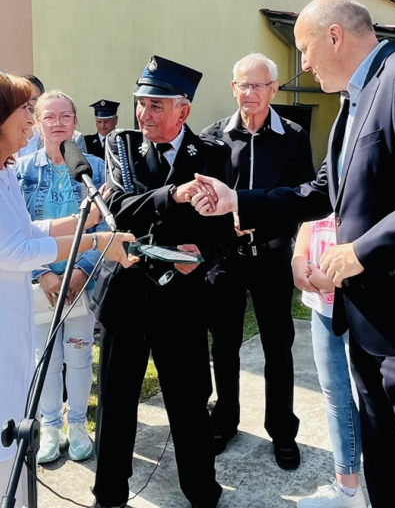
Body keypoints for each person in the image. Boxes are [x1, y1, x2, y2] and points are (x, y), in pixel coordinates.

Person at [188, 0, 395, 508]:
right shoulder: (352, 101)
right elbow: (322, 191)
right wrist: (236, 199)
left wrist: (361, 252)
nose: (302, 65)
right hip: (372, 324)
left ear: (335, 36)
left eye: (305, 49)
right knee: (387, 471)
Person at [0, 67, 135, 508]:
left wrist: (83, 219)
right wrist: (95, 243)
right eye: (25, 110)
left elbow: (24, 228)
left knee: (4, 445)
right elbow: (13, 250)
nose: (32, 121)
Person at [91, 56, 234, 508]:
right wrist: (173, 195)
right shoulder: (122, 146)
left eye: (155, 106)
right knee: (116, 404)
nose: (143, 115)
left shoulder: (213, 156)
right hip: (127, 296)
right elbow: (122, 207)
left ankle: (201, 491)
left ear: (183, 112)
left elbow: (226, 230)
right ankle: (110, 492)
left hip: (183, 301)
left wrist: (204, 255)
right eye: (140, 104)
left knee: (189, 404)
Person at [202, 52, 314, 464]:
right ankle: (224, 419)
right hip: (225, 259)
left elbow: (305, 199)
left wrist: (257, 215)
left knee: (277, 346)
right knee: (225, 344)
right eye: (242, 85)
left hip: (271, 257)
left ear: (274, 89)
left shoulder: (294, 138)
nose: (249, 93)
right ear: (233, 88)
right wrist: (222, 224)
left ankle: (282, 430)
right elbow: (202, 200)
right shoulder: (212, 137)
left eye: (258, 85)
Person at [15, 90, 106, 463]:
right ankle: (51, 425)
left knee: (80, 355)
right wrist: (43, 276)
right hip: (41, 285)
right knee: (46, 355)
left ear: (75, 122)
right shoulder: (21, 171)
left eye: (65, 116)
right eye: (48, 117)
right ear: (37, 123)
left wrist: (82, 271)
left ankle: (79, 424)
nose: (57, 124)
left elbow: (104, 228)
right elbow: (16, 230)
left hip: (81, 280)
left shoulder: (96, 168)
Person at [292, 218, 367, 508]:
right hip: (322, 306)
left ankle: (392, 489)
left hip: (362, 303)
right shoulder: (329, 173)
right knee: (337, 399)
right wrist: (298, 259)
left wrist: (340, 281)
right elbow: (309, 220)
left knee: (376, 403)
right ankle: (349, 492)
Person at [18, 74, 88, 158]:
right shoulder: (4, 137)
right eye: (22, 100)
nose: (28, 105)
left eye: (33, 99)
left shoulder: (74, 139)